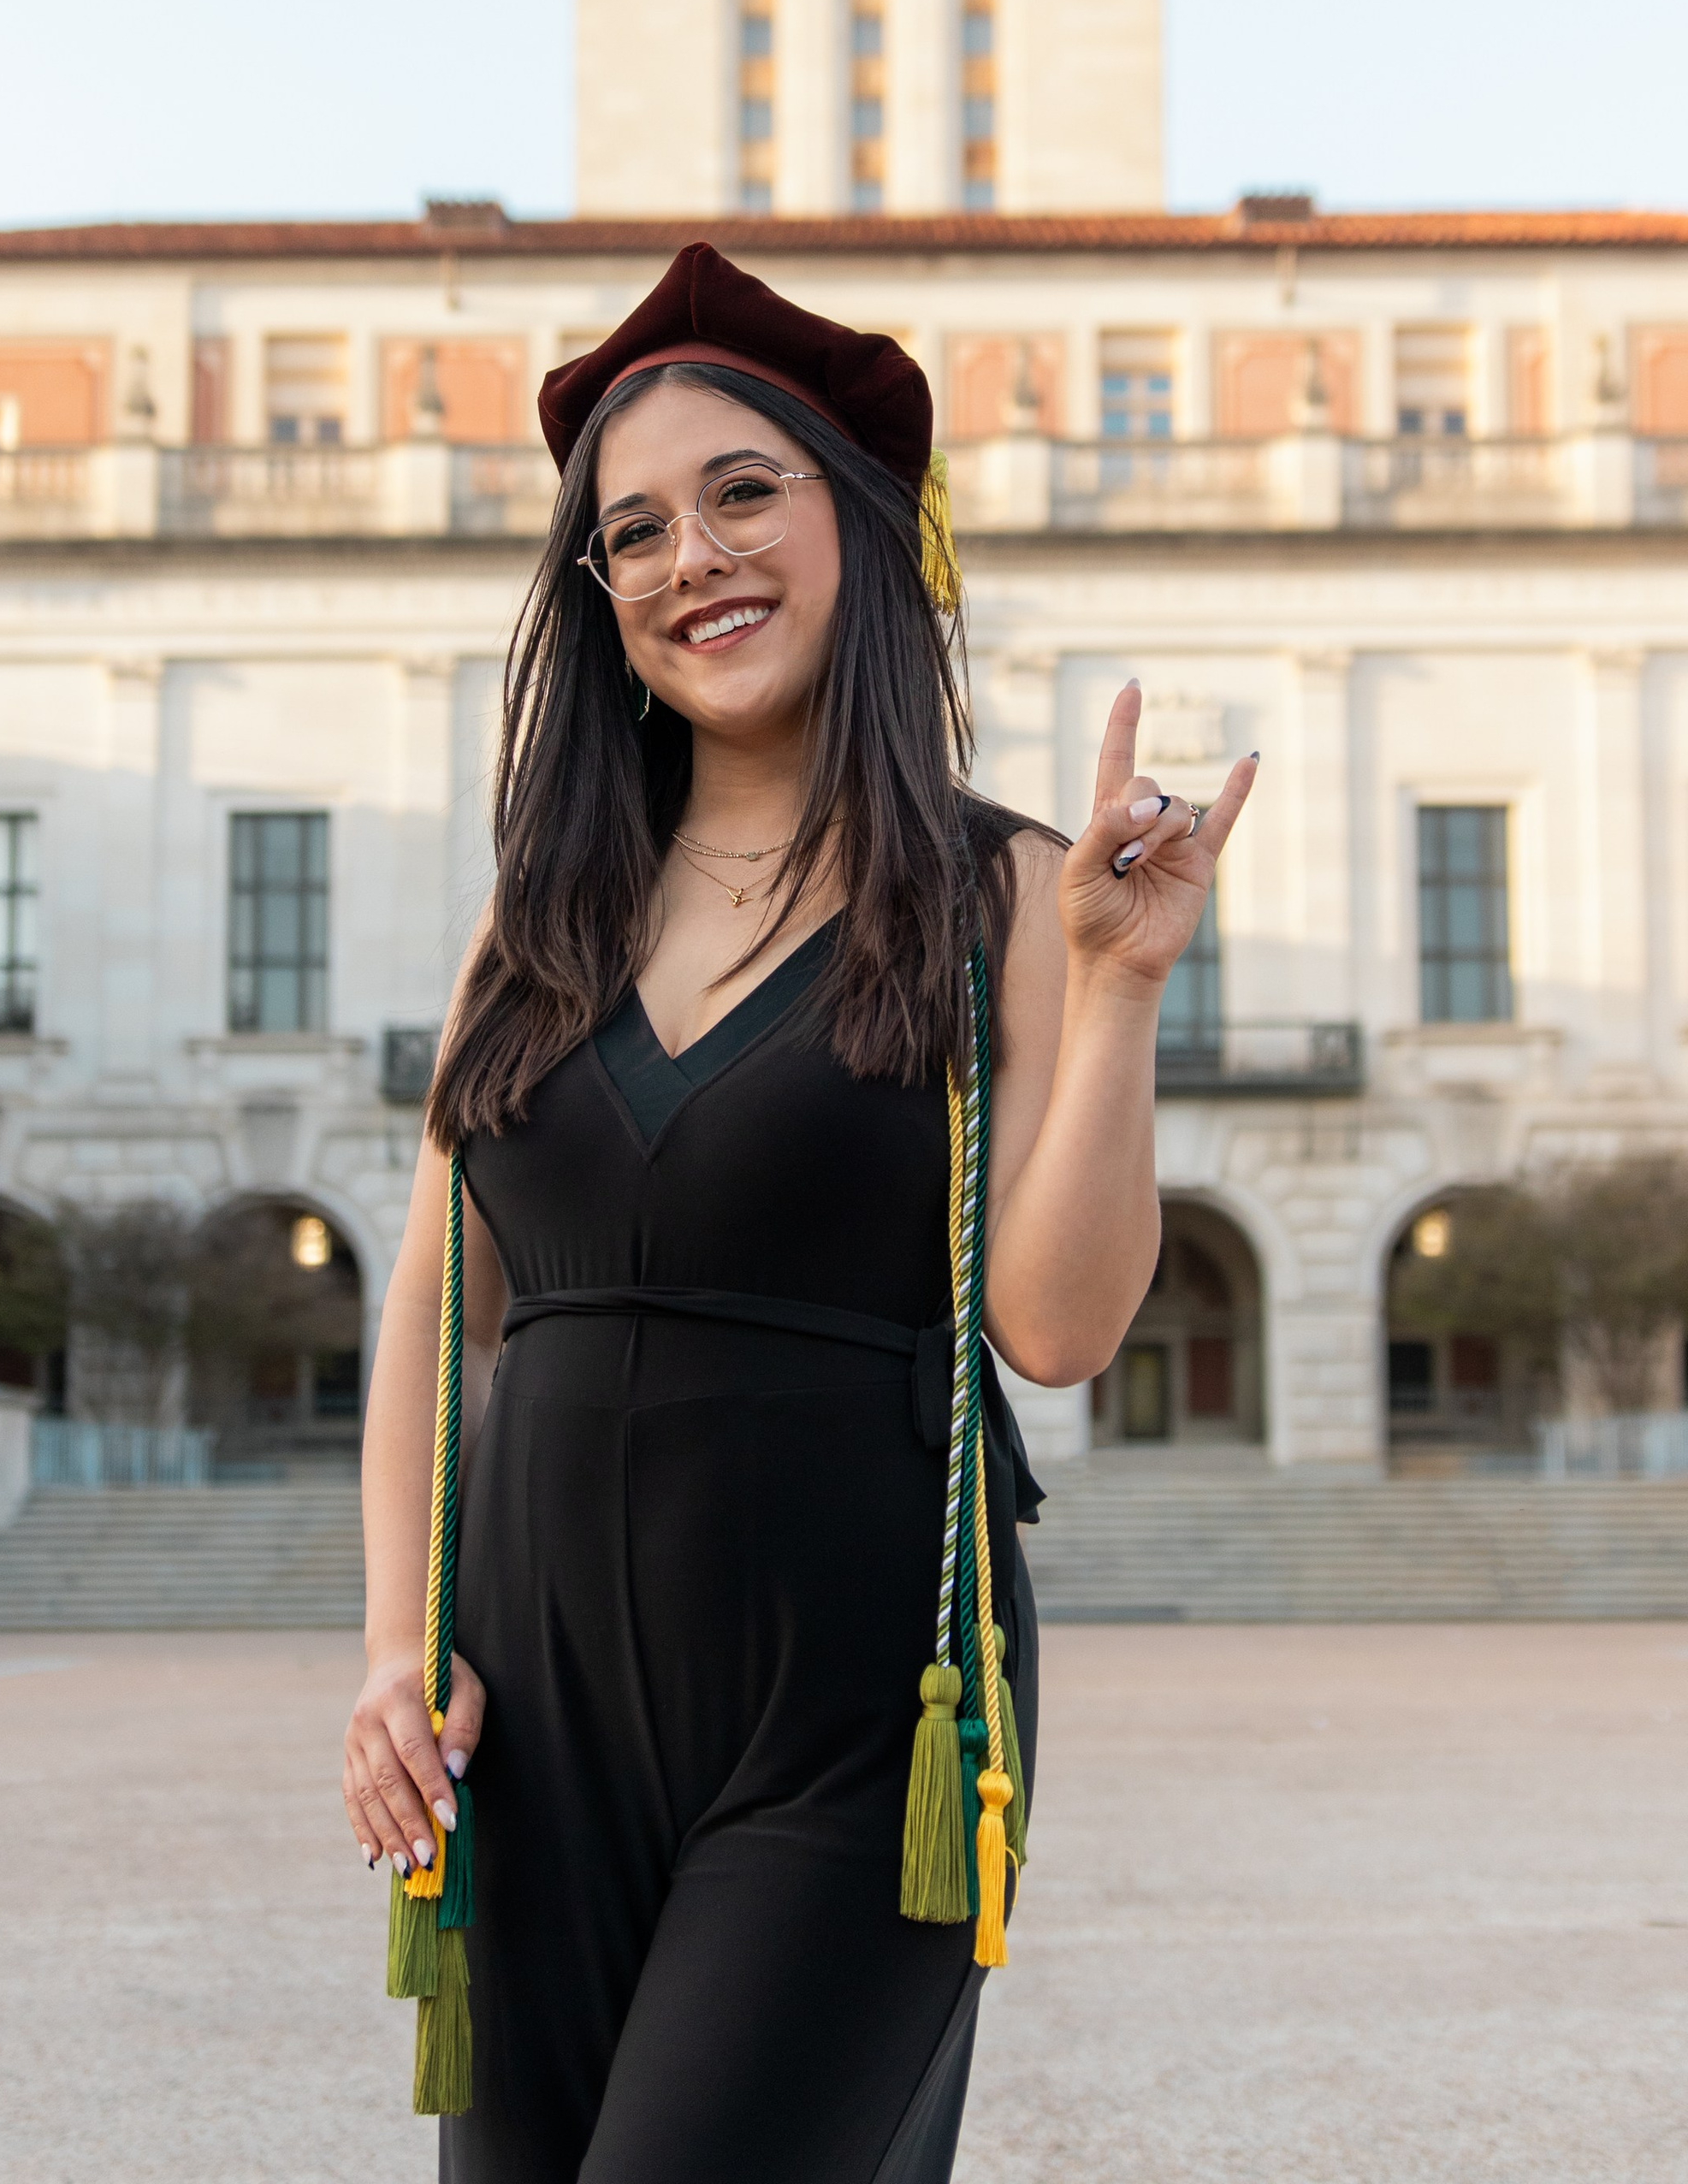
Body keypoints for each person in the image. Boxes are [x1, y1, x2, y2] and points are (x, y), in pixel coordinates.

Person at [342, 244, 1255, 2181]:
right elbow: (437, 1304)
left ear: (860, 523)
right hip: (533, 1710)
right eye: (634, 531)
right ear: (598, 598)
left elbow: (1057, 1329)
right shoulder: (534, 922)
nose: (693, 559)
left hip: (860, 1708)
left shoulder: (1008, 896)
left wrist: (1116, 994)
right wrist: (398, 1648)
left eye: (744, 492)